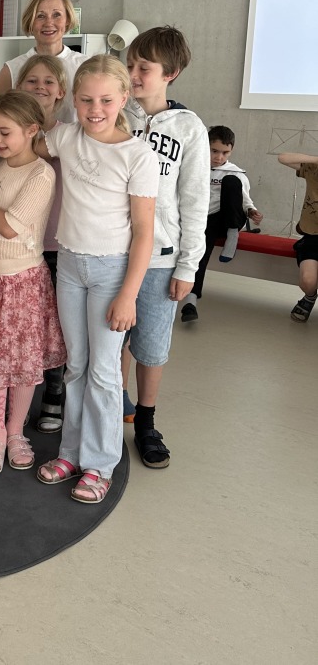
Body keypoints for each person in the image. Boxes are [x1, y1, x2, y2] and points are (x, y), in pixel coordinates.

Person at [34, 55, 158, 503]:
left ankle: (100, 465)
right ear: (73, 99)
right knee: (76, 366)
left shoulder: (137, 155)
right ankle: (71, 453)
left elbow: (144, 232)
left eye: (106, 100)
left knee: (104, 373)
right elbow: (25, 146)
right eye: (86, 100)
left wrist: (128, 295)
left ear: (124, 99)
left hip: (111, 272)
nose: (95, 109)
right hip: (69, 265)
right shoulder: (66, 136)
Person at [0, 91, 66, 474]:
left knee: (22, 363)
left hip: (21, 282)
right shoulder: (2, 163)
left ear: (32, 129)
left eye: (5, 133)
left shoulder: (41, 174)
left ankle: (16, 431)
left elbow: (9, 226)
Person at [120, 27, 209, 468]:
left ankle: (146, 421)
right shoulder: (117, 114)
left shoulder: (189, 128)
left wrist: (188, 266)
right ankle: (112, 407)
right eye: (130, 65)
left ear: (170, 73)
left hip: (160, 258)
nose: (134, 75)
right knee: (112, 339)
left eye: (144, 68)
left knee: (151, 346)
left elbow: (194, 201)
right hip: (113, 252)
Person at [16, 55, 70, 433]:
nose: (40, 87)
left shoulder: (70, 135)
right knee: (22, 325)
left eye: (49, 81)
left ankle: (54, 391)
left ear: (61, 91)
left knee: (57, 326)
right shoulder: (9, 133)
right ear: (20, 87)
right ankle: (18, 394)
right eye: (32, 80)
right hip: (20, 247)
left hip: (58, 245)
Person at [182, 125, 263, 323]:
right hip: (206, 220)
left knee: (231, 181)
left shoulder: (236, 173)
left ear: (231, 151)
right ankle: (190, 301)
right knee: (200, 252)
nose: (219, 157)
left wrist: (251, 211)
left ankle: (233, 233)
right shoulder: (194, 166)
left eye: (225, 152)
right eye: (214, 151)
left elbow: (245, 200)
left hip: (230, 219)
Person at [0, 0, 87, 120]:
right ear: (31, 22)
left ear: (67, 20)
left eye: (56, 15)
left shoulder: (84, 66)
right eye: (40, 16)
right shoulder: (11, 70)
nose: (49, 23)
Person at [277, 151, 318, 322]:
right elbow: (283, 157)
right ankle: (310, 297)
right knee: (307, 281)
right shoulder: (313, 169)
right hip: (313, 237)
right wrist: (316, 160)